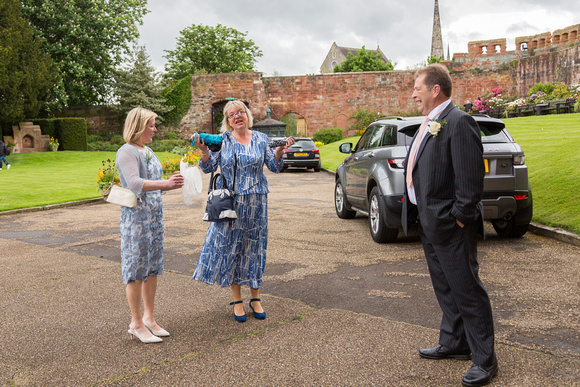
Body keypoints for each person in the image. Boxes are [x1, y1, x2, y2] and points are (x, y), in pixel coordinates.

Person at [401, 64, 497, 387]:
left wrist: (456, 218)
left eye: (417, 88)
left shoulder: (458, 122)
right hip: (429, 224)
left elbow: (471, 181)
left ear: (434, 90)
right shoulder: (430, 123)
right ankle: (454, 341)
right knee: (445, 288)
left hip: (451, 226)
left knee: (468, 291)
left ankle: (485, 360)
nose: (413, 94)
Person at [191, 100, 294, 322]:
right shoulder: (223, 141)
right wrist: (204, 151)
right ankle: (237, 298)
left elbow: (275, 167)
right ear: (228, 121)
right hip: (231, 203)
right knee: (233, 249)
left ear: (247, 115)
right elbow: (208, 168)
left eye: (240, 112)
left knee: (255, 248)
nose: (237, 116)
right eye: (231, 115)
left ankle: (255, 297)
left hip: (257, 201)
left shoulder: (260, 139)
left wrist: (279, 151)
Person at [116, 107, 184, 343]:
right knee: (135, 270)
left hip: (154, 218)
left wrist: (170, 183)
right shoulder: (126, 151)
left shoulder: (149, 151)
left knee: (152, 269)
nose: (155, 129)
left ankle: (149, 318)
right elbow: (134, 183)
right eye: (151, 125)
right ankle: (135, 323)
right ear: (139, 126)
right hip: (136, 220)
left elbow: (154, 181)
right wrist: (166, 184)